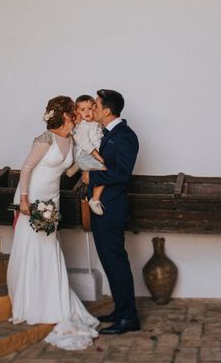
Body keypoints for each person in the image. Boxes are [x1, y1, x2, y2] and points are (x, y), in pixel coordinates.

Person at [7, 95, 99, 350]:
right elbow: (26, 169)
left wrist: (92, 165)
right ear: (68, 115)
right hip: (33, 196)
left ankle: (52, 300)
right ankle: (33, 300)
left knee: (50, 247)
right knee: (35, 245)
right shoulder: (45, 138)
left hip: (52, 197)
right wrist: (24, 200)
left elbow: (67, 171)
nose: (80, 115)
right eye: (76, 112)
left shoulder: (70, 140)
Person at [82, 89, 140, 335]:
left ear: (107, 110)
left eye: (95, 105)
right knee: (108, 260)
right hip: (101, 207)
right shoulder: (106, 134)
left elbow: (122, 173)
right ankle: (121, 309)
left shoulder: (126, 136)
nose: (92, 109)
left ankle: (129, 318)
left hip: (111, 207)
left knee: (116, 261)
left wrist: (91, 176)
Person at [67, 94, 107, 215]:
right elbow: (84, 143)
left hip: (87, 156)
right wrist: (97, 155)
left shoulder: (96, 123)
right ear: (78, 112)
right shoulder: (83, 126)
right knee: (105, 171)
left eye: (90, 108)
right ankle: (95, 200)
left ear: (94, 108)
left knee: (102, 171)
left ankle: (76, 166)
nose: (87, 112)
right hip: (86, 154)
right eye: (83, 110)